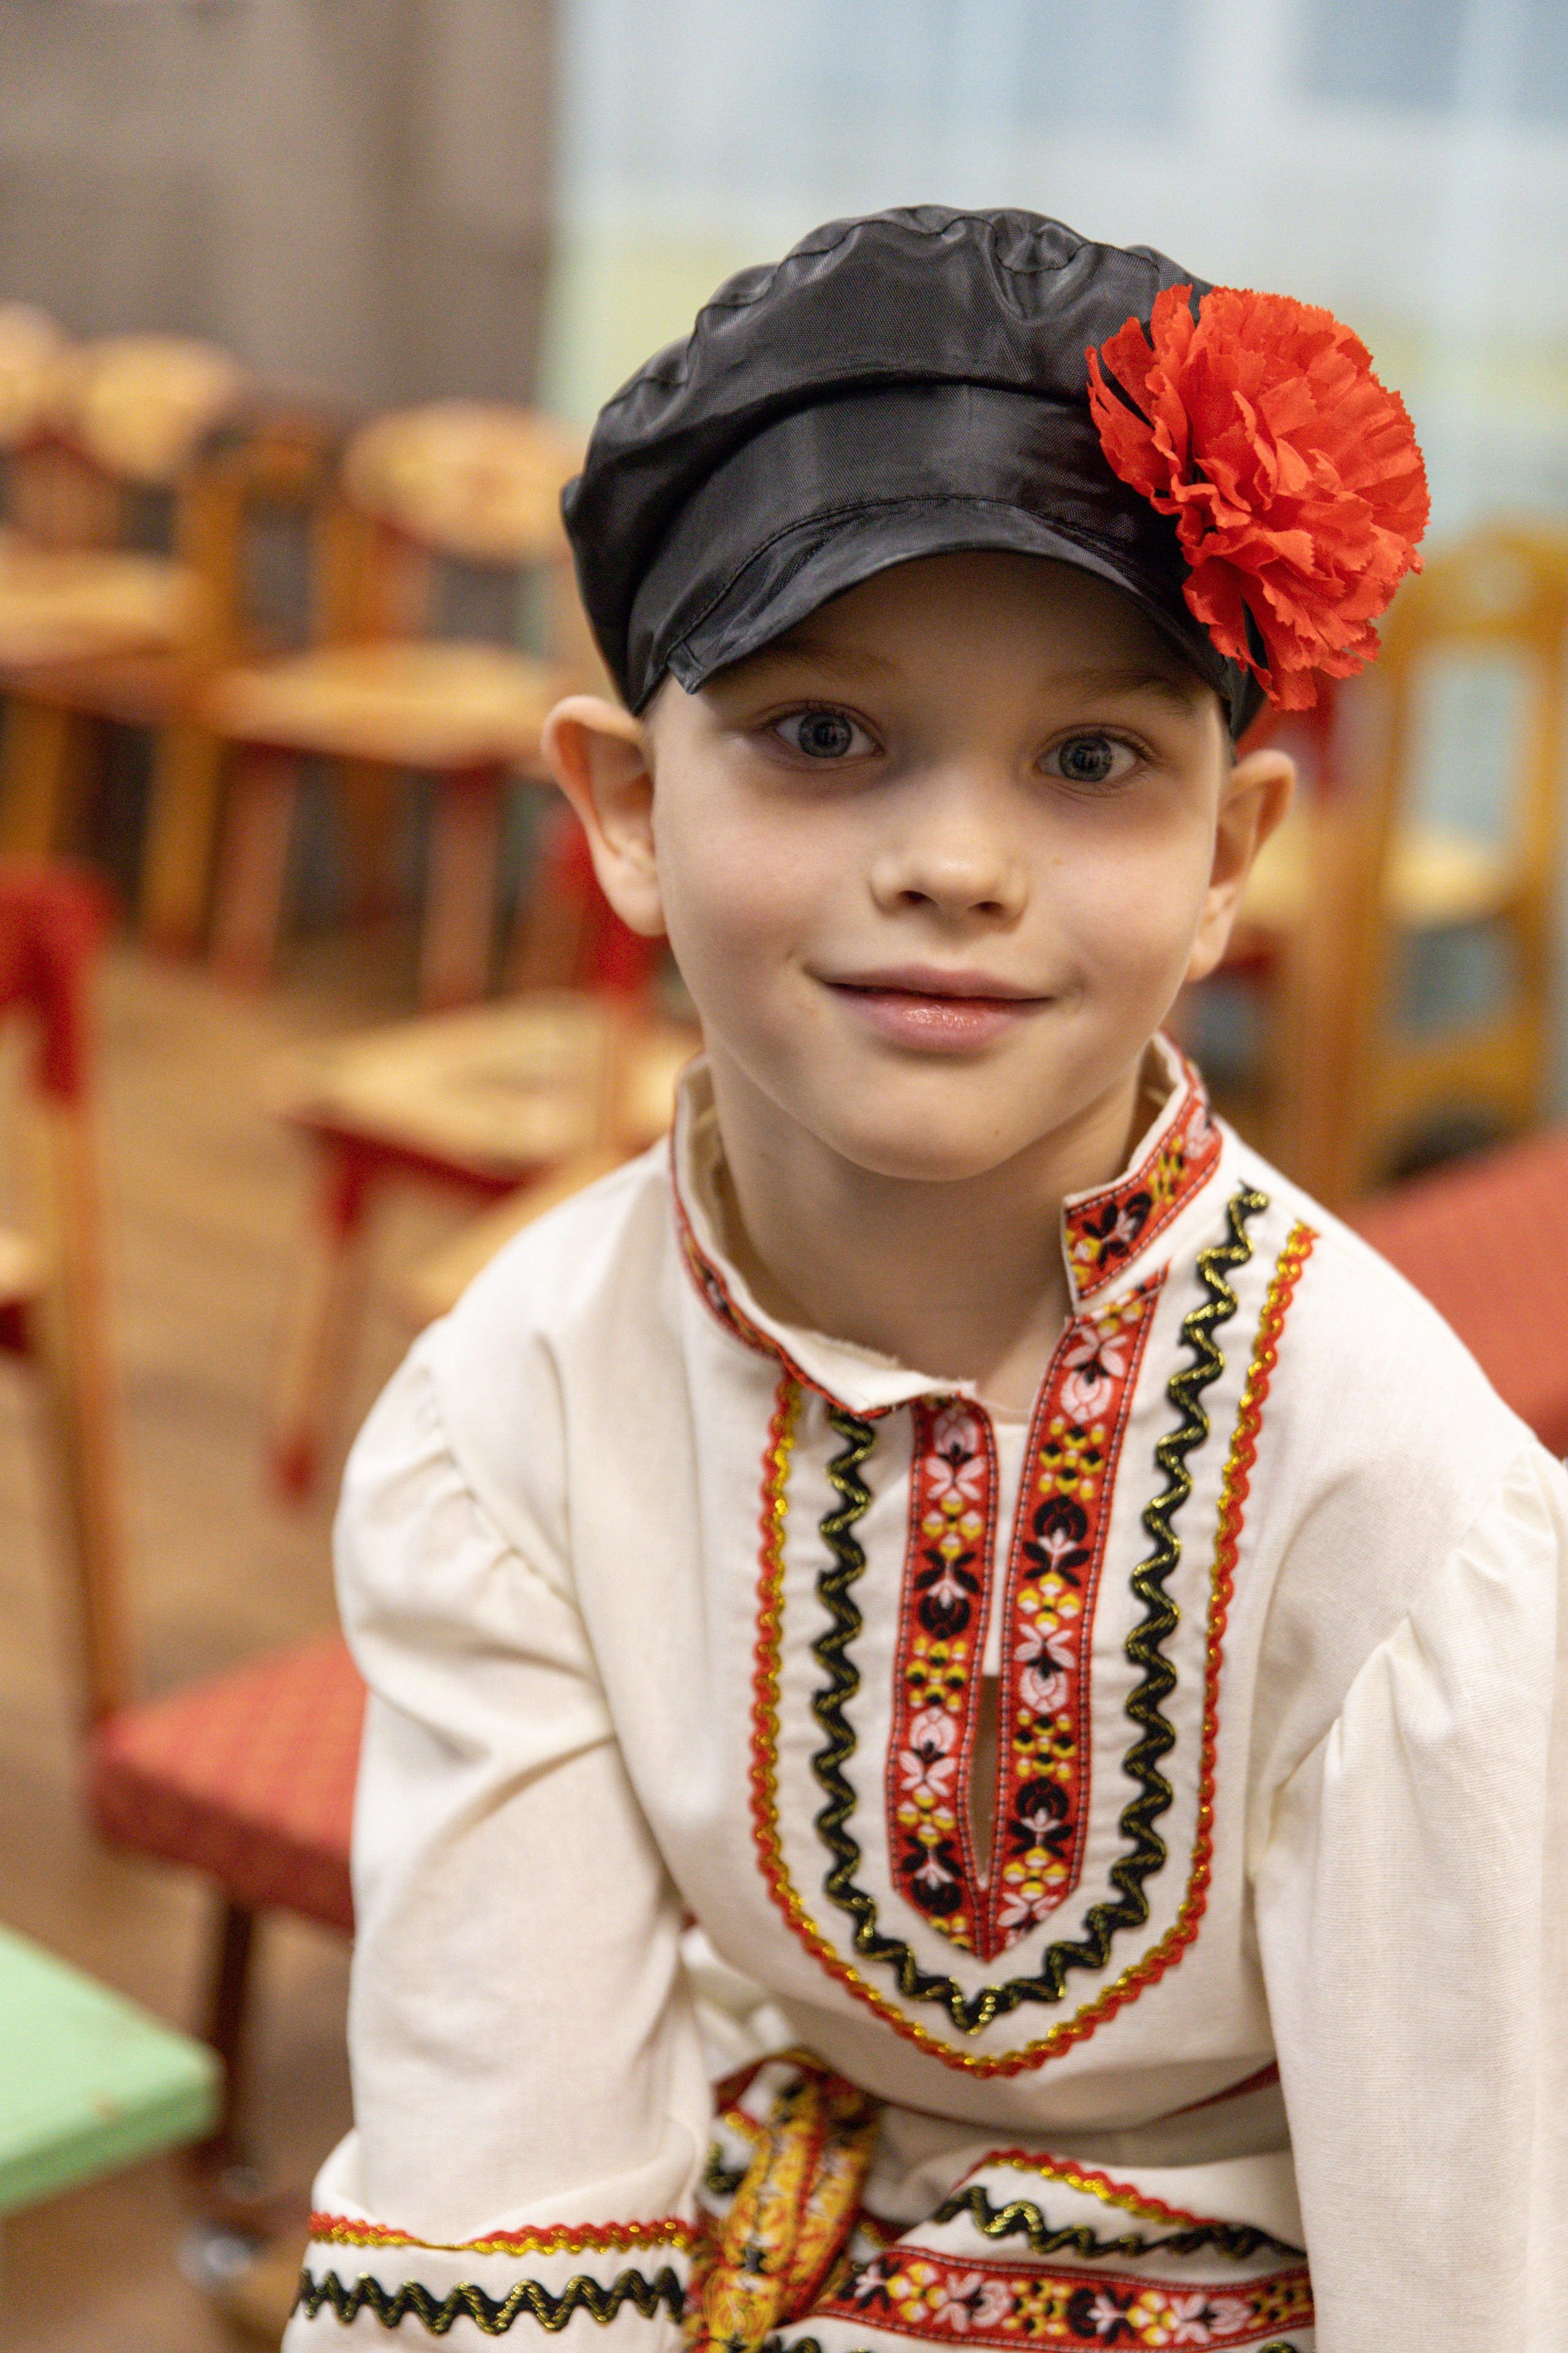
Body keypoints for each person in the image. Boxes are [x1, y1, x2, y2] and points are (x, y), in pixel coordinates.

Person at [284, 210, 1566, 2353]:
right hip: (737, 2220)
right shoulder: (512, 1406)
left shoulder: (1388, 1488)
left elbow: (1475, 2246)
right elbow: (500, 2165)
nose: (957, 862)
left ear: (1229, 859)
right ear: (619, 805)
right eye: (820, 734)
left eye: (1090, 762)